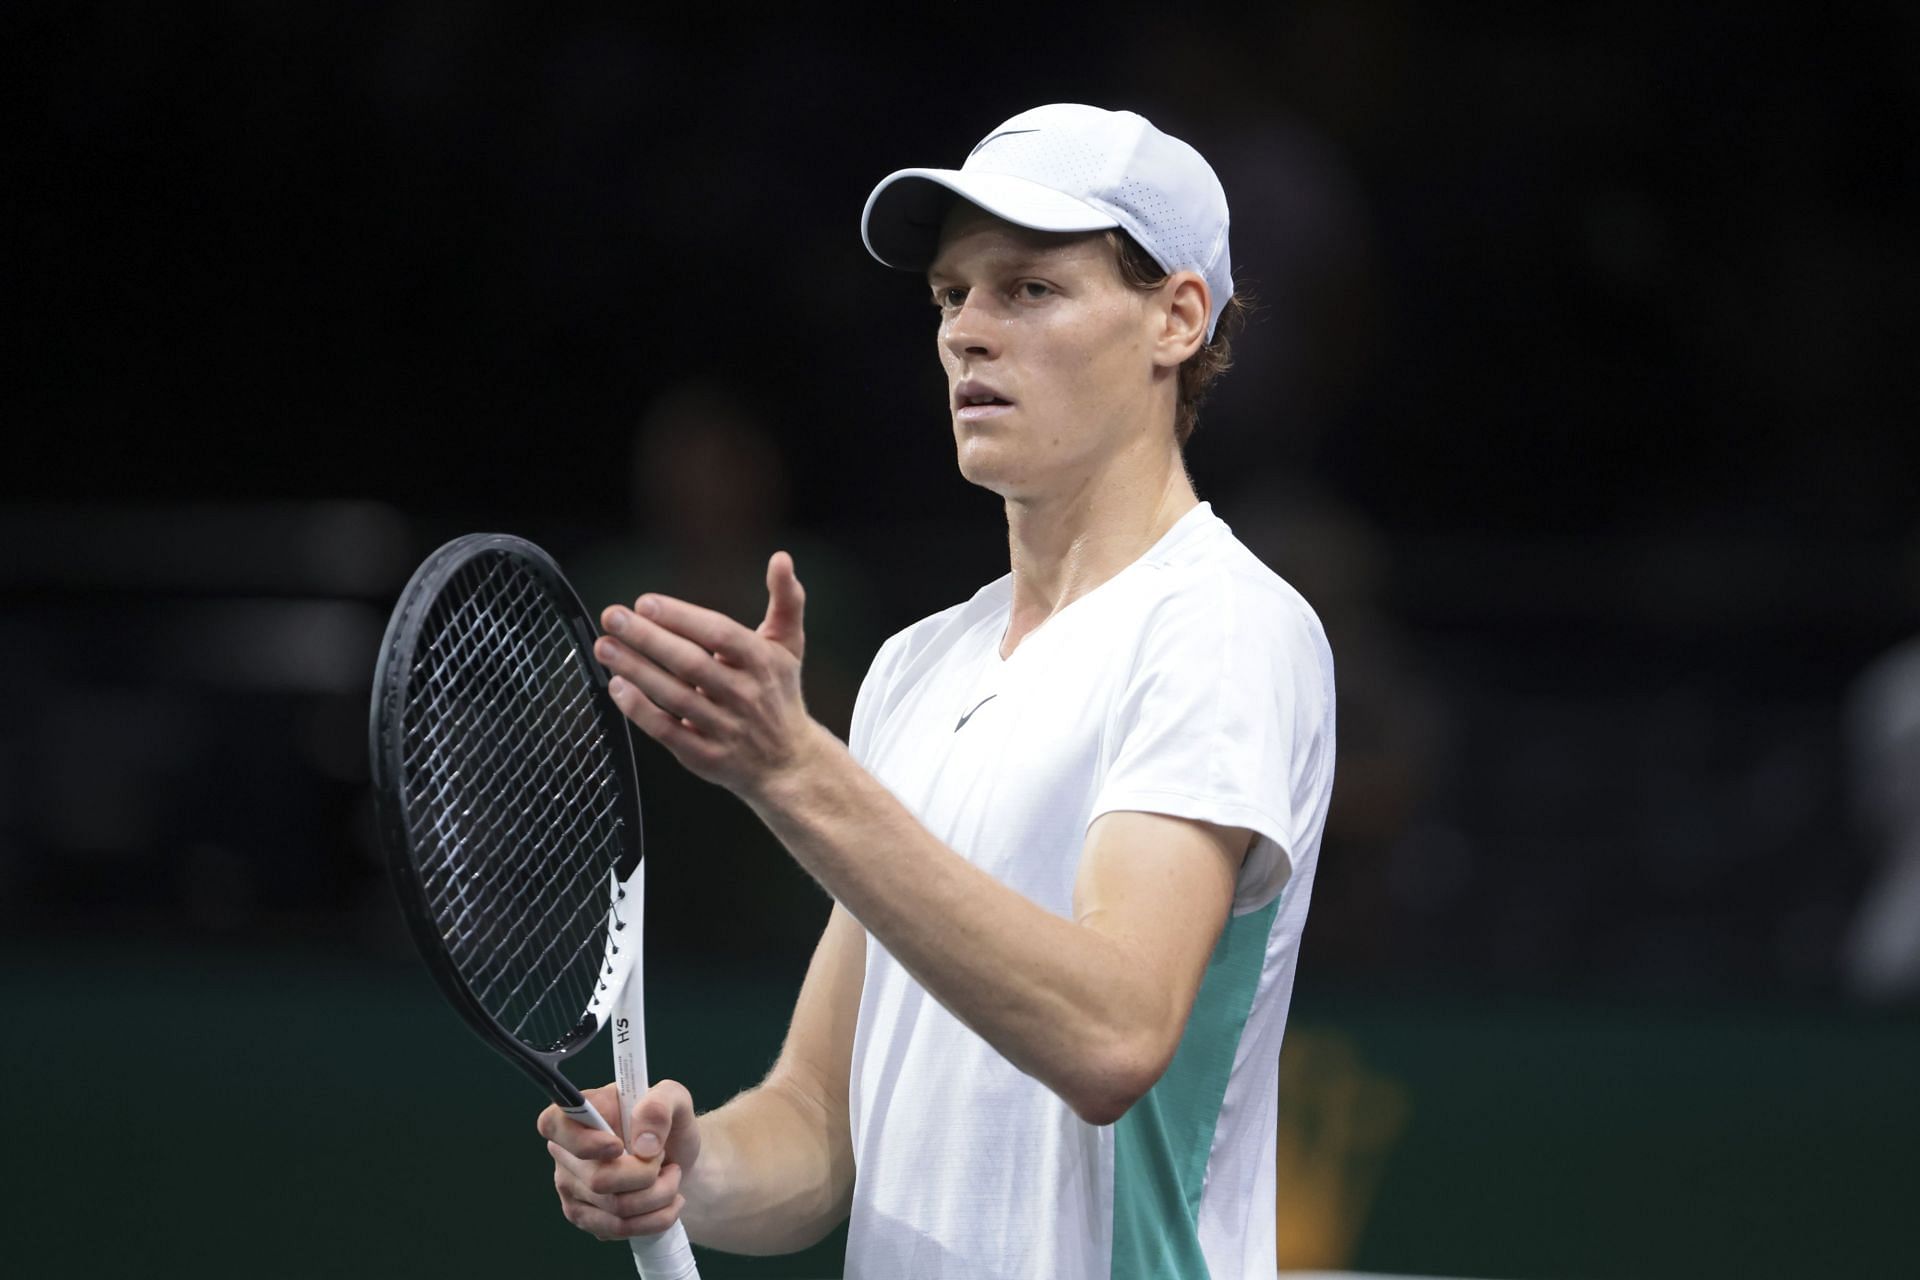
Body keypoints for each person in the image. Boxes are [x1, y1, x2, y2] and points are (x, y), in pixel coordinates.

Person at [538, 103, 1338, 1278]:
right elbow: (818, 1123)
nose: (968, 331)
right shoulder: (920, 667)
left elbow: (1113, 1032)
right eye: (950, 296)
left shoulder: (1223, 627)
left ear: (1176, 317)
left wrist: (795, 771)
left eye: (1029, 290)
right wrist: (685, 1169)